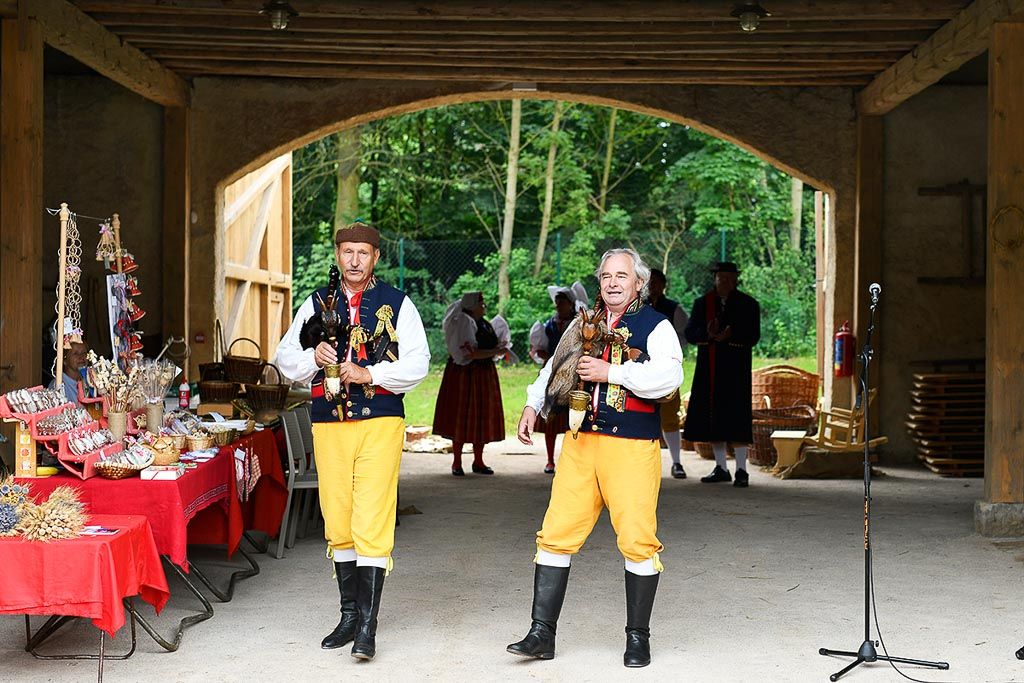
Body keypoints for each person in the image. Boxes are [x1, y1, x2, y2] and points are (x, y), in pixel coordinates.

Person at [509, 248, 682, 668]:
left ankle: (637, 639)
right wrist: (534, 404)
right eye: (606, 276)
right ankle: (541, 634)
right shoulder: (581, 324)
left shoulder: (655, 326)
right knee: (555, 534)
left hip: (631, 447)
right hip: (581, 443)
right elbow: (553, 368)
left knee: (638, 540)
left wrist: (614, 373)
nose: (613, 283)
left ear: (639, 282)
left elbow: (671, 377)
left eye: (622, 276)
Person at [275, 221, 430, 662]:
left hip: (380, 420)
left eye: (364, 252)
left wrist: (372, 373)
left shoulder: (397, 303)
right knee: (337, 517)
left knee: (372, 519)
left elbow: (419, 362)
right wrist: (312, 356)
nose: (355, 260)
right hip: (329, 423)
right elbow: (284, 359)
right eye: (348, 252)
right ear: (338, 254)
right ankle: (347, 614)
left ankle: (368, 625)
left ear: (375, 257)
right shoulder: (316, 303)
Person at [682, 262, 761, 488]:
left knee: (737, 418)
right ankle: (721, 467)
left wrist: (731, 334)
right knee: (713, 417)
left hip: (736, 370)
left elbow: (753, 336)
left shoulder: (748, 304)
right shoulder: (702, 303)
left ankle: (742, 470)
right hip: (710, 369)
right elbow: (690, 332)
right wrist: (708, 333)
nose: (724, 282)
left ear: (736, 280)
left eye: (729, 278)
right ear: (715, 279)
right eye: (720, 278)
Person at [432, 291, 506, 476]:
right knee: (462, 416)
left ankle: (478, 461)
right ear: (473, 306)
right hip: (466, 373)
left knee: (480, 417)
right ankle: (457, 462)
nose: (484, 307)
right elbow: (470, 354)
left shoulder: (482, 323)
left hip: (482, 373)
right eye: (481, 304)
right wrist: (495, 351)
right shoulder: (464, 322)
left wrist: (495, 350)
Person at [529, 288, 577, 474]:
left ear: (570, 304)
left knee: (572, 419)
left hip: (573, 374)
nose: (558, 306)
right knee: (551, 417)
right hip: (552, 375)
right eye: (557, 303)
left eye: (562, 302)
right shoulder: (548, 325)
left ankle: (571, 461)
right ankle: (550, 460)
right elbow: (539, 350)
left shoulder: (577, 323)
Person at [647, 268, 689, 479]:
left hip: (665, 370)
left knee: (669, 415)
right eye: (649, 282)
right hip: (640, 368)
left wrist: (668, 351)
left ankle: (677, 462)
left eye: (656, 282)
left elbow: (685, 336)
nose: (652, 286)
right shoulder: (635, 308)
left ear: (663, 285)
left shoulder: (674, 309)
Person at [49, 339, 88, 408]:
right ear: (64, 361)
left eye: (84, 353)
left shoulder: (91, 381)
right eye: (75, 353)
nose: (81, 357)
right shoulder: (58, 385)